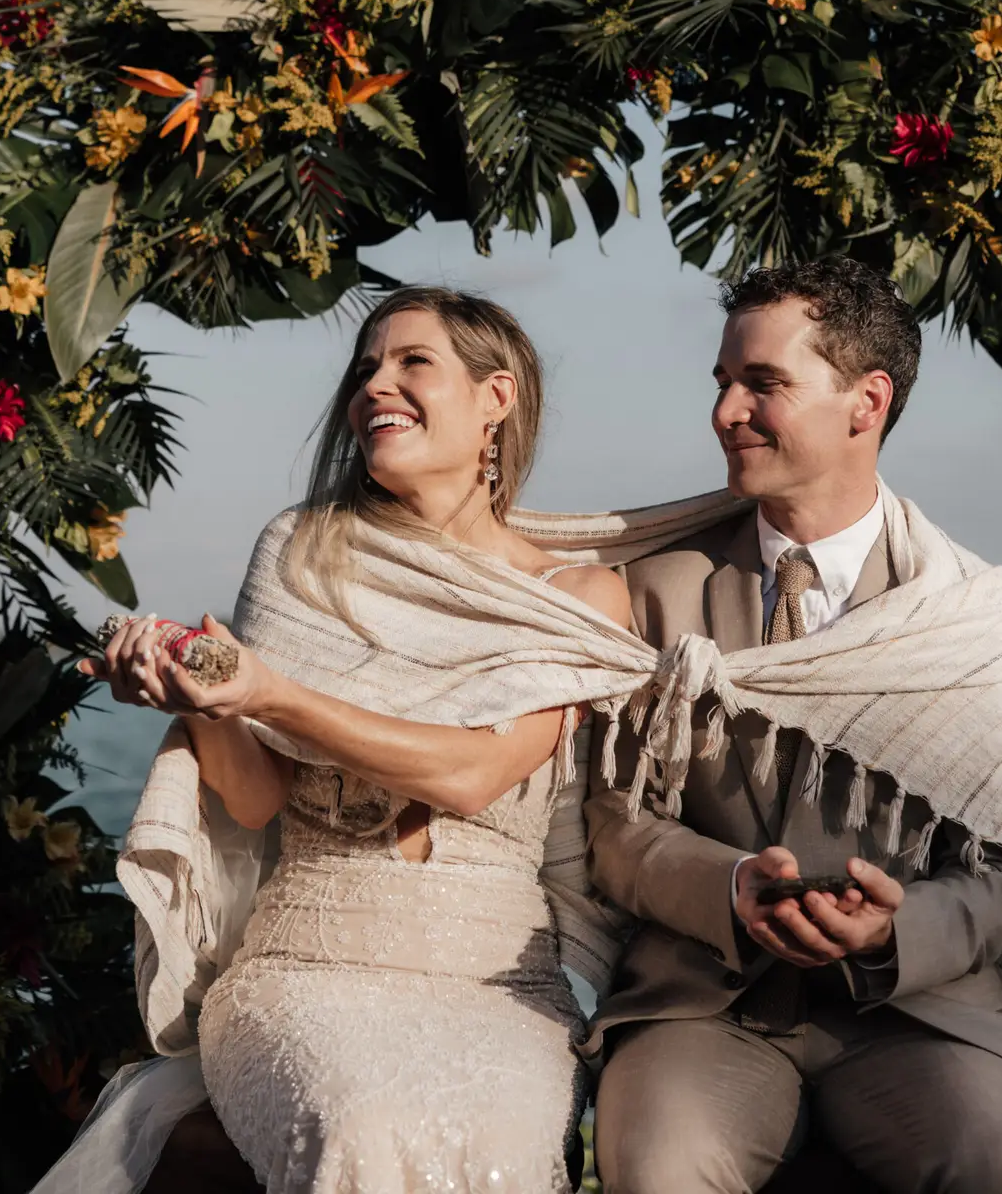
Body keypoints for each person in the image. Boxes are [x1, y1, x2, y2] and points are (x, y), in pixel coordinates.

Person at [78, 287, 633, 1192]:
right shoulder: (299, 551)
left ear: (497, 399)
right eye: (366, 368)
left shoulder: (576, 596)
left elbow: (471, 775)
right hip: (307, 966)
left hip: (498, 985)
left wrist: (274, 693)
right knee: (360, 1128)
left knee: (496, 1142)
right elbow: (256, 797)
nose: (377, 383)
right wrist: (202, 700)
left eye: (413, 362)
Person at [586, 257, 1002, 1193]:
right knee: (657, 1168)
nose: (726, 411)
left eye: (762, 384)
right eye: (724, 384)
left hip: (922, 1013)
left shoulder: (974, 618)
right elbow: (612, 824)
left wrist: (898, 932)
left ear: (867, 401)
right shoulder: (654, 591)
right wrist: (726, 887)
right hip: (705, 1009)